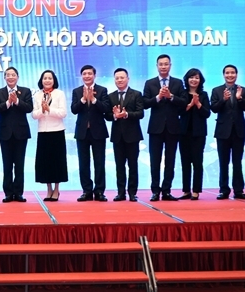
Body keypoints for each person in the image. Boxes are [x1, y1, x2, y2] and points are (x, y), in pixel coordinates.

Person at [143, 54, 186, 201]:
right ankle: (155, 191)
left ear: (170, 65)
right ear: (157, 66)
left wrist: (171, 96)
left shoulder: (178, 83)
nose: (163, 66)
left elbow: (184, 102)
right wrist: (158, 97)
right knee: (155, 161)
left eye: (166, 64)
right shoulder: (150, 83)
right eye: (161, 64)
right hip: (156, 128)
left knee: (170, 161)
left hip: (173, 128)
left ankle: (166, 190)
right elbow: (145, 103)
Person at [70, 64, 111, 202]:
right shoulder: (76, 91)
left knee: (99, 163)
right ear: (81, 76)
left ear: (94, 75)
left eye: (89, 73)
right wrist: (83, 99)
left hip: (98, 131)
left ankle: (99, 191)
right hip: (82, 132)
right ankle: (86, 191)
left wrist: (93, 100)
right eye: (84, 74)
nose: (87, 76)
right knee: (83, 163)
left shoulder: (102, 90)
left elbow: (105, 108)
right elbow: (74, 110)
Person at [0, 67, 33, 203]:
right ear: (4, 77)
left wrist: (17, 101)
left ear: (17, 77)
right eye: (8, 75)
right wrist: (8, 103)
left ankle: (19, 192)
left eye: (13, 75)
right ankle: (8, 193)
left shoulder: (25, 91)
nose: (10, 77)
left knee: (19, 165)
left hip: (21, 133)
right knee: (7, 164)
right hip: (5, 133)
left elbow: (29, 108)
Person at [210, 64, 245, 200]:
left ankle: (239, 190)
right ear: (223, 75)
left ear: (236, 75)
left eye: (233, 73)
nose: (230, 75)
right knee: (223, 162)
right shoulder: (217, 90)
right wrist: (223, 100)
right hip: (223, 132)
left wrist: (240, 98)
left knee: (237, 162)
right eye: (227, 73)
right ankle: (224, 190)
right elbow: (214, 108)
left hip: (238, 131)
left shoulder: (243, 90)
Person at [105, 68, 144, 202]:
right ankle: (121, 193)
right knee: (119, 166)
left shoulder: (136, 94)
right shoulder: (111, 96)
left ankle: (132, 192)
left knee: (133, 165)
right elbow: (107, 116)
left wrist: (126, 114)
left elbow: (140, 113)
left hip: (133, 136)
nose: (120, 80)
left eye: (122, 77)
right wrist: (115, 116)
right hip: (117, 136)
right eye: (117, 78)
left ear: (128, 79)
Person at [32, 70, 68, 202]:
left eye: (50, 78)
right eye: (45, 78)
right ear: (41, 80)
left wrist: (49, 109)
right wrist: (42, 110)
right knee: (45, 162)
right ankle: (48, 189)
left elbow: (63, 113)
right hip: (43, 132)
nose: (47, 80)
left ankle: (57, 189)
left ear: (54, 80)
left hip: (57, 131)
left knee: (57, 161)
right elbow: (34, 115)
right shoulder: (37, 95)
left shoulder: (59, 94)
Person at [178, 68, 211, 200]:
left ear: (200, 80)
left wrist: (198, 104)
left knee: (197, 162)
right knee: (185, 162)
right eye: (191, 77)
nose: (194, 80)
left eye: (196, 78)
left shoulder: (204, 94)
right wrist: (190, 104)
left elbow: (207, 113)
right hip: (183, 132)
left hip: (199, 133)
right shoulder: (182, 94)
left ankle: (196, 190)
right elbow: (179, 111)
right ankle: (186, 190)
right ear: (187, 79)